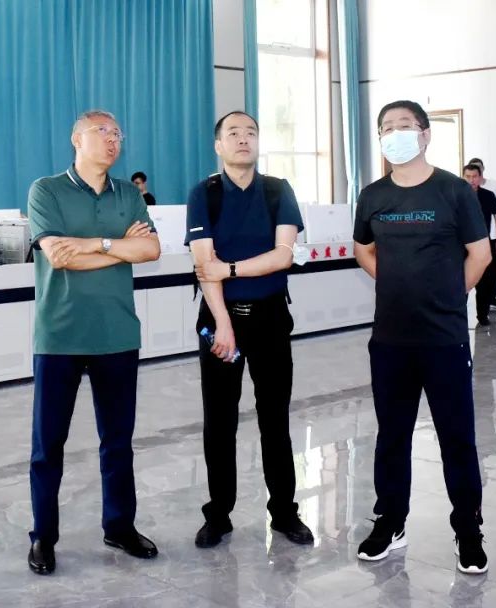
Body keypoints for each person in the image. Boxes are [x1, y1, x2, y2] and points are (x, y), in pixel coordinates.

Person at [352, 99, 492, 574]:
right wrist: (395, 284)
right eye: (387, 127)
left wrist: (450, 295)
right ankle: (390, 521)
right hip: (390, 340)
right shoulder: (373, 195)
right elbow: (363, 249)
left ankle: (468, 527)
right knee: (392, 436)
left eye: (405, 125)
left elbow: (480, 254)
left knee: (457, 437)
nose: (395, 133)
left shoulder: (454, 191)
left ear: (425, 134)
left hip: (444, 339)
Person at [26, 110, 161, 575]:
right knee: (48, 445)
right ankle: (43, 536)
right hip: (59, 335)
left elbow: (151, 249)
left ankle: (119, 526)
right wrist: (117, 246)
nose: (112, 139)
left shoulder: (129, 194)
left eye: (117, 133)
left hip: (117, 334)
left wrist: (92, 245)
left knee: (118, 441)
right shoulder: (46, 190)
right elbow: (58, 257)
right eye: (102, 131)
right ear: (76, 139)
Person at [185, 110, 314, 549]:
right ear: (218, 145)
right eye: (234, 133)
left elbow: (283, 256)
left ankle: (285, 513)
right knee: (219, 422)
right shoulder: (205, 194)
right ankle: (218, 515)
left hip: (270, 319)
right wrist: (223, 324)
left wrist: (231, 268)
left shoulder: (278, 191)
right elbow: (204, 264)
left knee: (275, 418)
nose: (244, 139)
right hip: (220, 318)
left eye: (251, 132)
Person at [462, 163, 496, 326]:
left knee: (485, 282)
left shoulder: (488, 195)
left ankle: (482, 315)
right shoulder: (456, 195)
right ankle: (459, 314)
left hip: (482, 244)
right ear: (463, 177)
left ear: (480, 178)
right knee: (462, 281)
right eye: (468, 177)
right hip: (461, 246)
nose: (471, 180)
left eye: (474, 177)